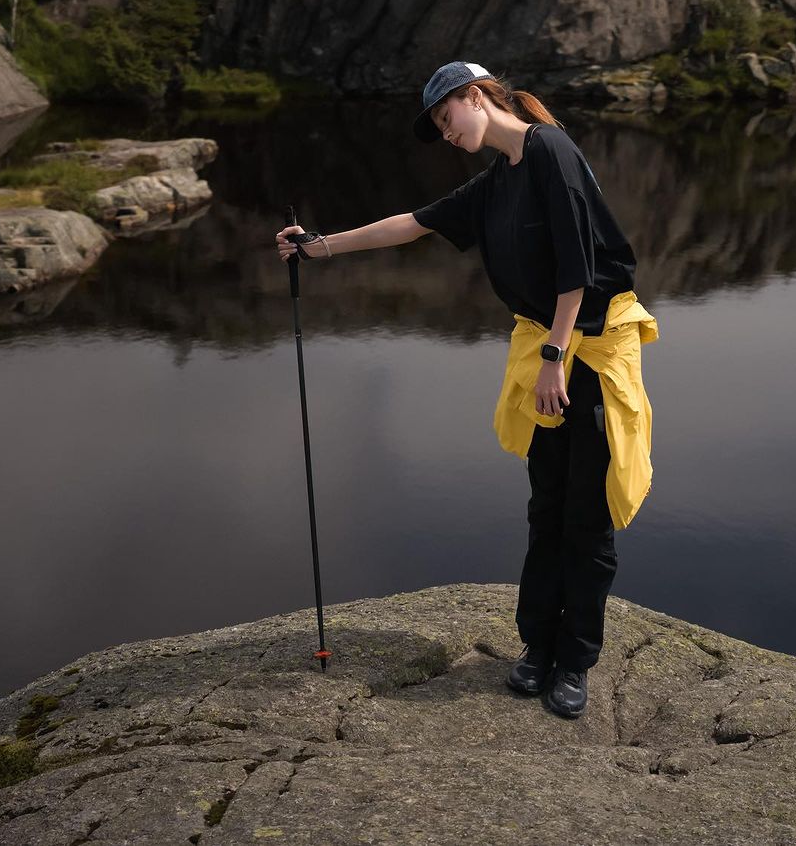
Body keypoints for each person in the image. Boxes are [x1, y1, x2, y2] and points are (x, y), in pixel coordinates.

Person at [275, 60, 658, 719]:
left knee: (584, 520)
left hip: (586, 357)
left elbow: (578, 266)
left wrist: (554, 358)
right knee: (545, 509)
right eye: (436, 129)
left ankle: (574, 660)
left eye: (445, 119)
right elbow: (413, 222)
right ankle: (536, 648)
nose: (445, 135)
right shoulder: (497, 182)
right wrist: (319, 249)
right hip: (551, 351)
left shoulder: (549, 149)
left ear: (476, 96)